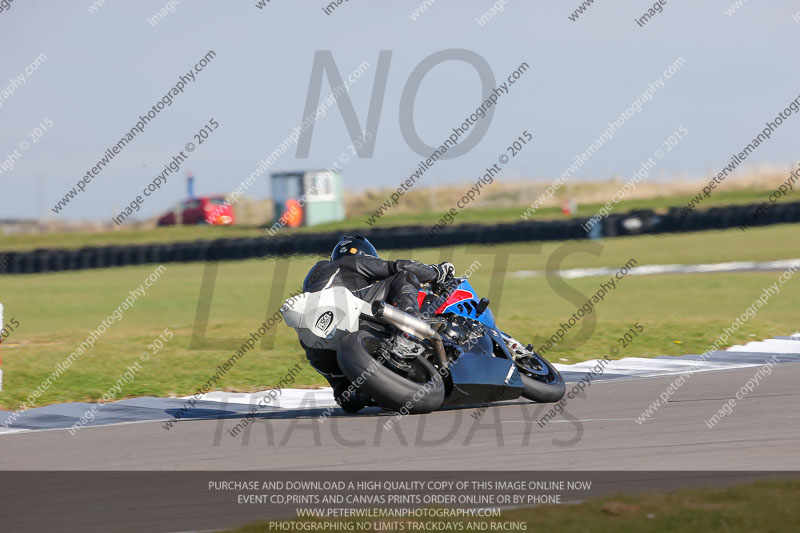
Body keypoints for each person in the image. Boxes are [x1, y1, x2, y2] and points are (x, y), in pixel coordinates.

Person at [299, 235, 454, 412]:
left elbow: (347, 404)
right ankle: (410, 328)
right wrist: (437, 273)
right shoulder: (349, 261)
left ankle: (362, 394)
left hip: (315, 342)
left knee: (344, 393)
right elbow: (398, 267)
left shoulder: (316, 277)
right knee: (404, 276)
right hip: (348, 312)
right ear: (366, 256)